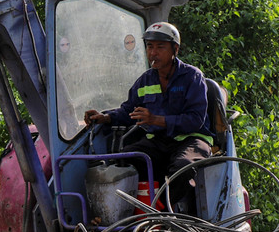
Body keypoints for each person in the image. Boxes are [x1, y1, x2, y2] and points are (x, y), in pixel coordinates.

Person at [83, 21, 214, 213]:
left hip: (192, 139)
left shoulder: (192, 77)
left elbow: (195, 120)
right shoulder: (144, 81)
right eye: (149, 46)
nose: (153, 53)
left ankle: (160, 213)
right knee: (126, 159)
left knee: (183, 167)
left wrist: (156, 120)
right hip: (158, 141)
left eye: (160, 47)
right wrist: (105, 117)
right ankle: (133, 213)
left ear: (175, 49)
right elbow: (128, 111)